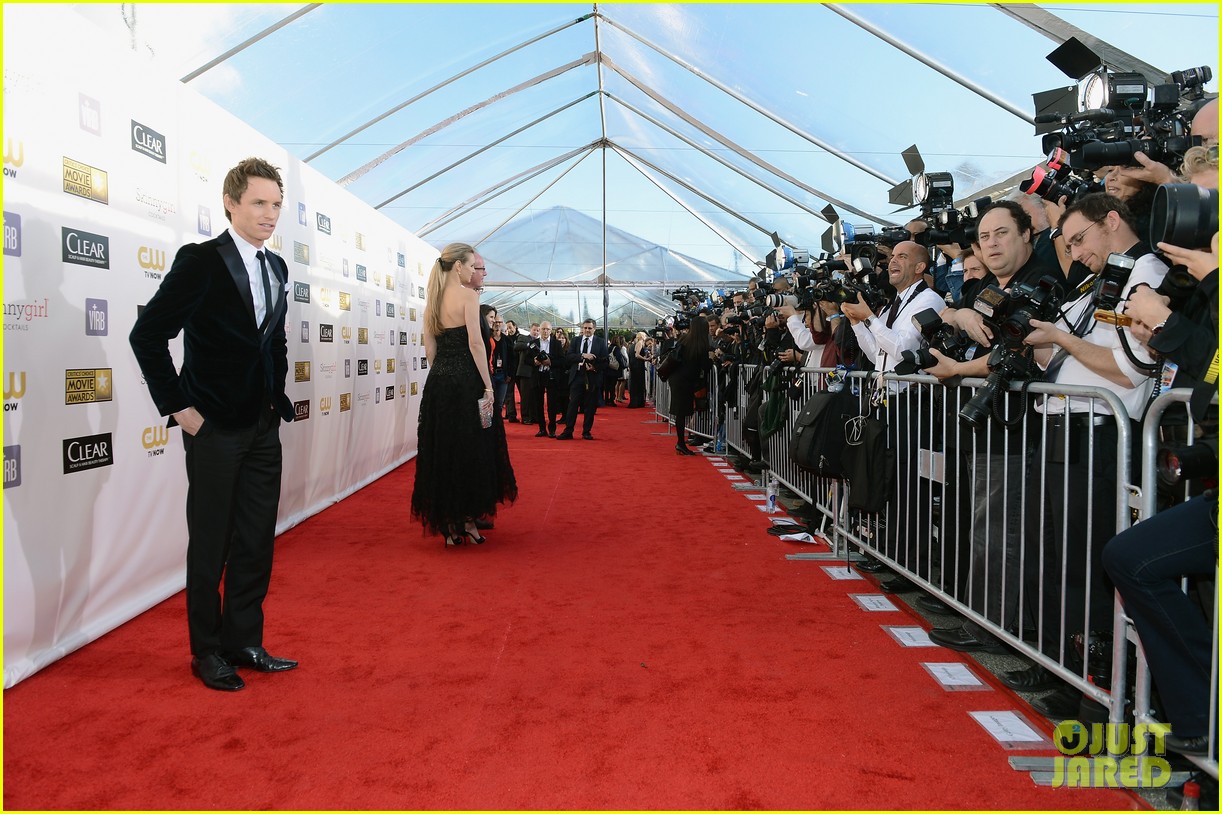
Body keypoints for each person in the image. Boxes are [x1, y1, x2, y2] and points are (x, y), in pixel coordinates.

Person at [129, 157, 298, 692]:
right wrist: (179, 406)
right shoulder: (199, 261)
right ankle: (206, 652)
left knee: (255, 539)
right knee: (210, 541)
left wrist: (278, 395)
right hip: (214, 428)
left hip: (261, 428)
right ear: (230, 203)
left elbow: (272, 339)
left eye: (276, 204)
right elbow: (147, 335)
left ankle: (243, 639)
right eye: (259, 203)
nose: (270, 214)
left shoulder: (277, 268)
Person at [410, 243, 516, 546]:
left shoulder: (432, 301)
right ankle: (469, 520)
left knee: (444, 452)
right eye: (471, 266)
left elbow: (430, 351)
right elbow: (476, 344)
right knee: (472, 451)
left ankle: (450, 527)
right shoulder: (469, 296)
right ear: (458, 266)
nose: (474, 271)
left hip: (439, 386)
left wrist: (443, 373)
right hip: (468, 383)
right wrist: (487, 385)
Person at [668, 315, 714, 455]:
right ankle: (680, 443)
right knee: (682, 412)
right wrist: (711, 359)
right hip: (686, 381)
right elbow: (705, 366)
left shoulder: (685, 339)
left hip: (677, 378)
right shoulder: (701, 344)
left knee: (680, 413)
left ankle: (681, 442)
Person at [556, 318, 607, 440]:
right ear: (582, 329)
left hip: (592, 377)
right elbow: (568, 357)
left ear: (594, 329)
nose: (587, 330)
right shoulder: (576, 340)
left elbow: (605, 361)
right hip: (577, 376)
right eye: (585, 328)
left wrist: (594, 367)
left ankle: (586, 432)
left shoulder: (600, 342)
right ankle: (568, 431)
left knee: (590, 406)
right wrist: (582, 356)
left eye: (589, 328)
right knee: (572, 405)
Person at [502, 319, 521, 422]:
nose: (509, 330)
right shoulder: (506, 339)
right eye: (507, 328)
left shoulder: (521, 338)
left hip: (519, 370)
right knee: (509, 393)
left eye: (510, 327)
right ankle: (511, 415)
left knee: (523, 393)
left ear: (515, 326)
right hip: (510, 370)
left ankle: (527, 415)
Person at [627, 331, 648, 408]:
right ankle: (637, 402)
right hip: (637, 366)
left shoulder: (633, 344)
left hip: (635, 366)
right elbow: (637, 355)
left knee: (636, 384)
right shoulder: (639, 343)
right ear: (642, 336)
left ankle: (637, 401)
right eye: (645, 335)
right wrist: (646, 359)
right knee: (638, 384)